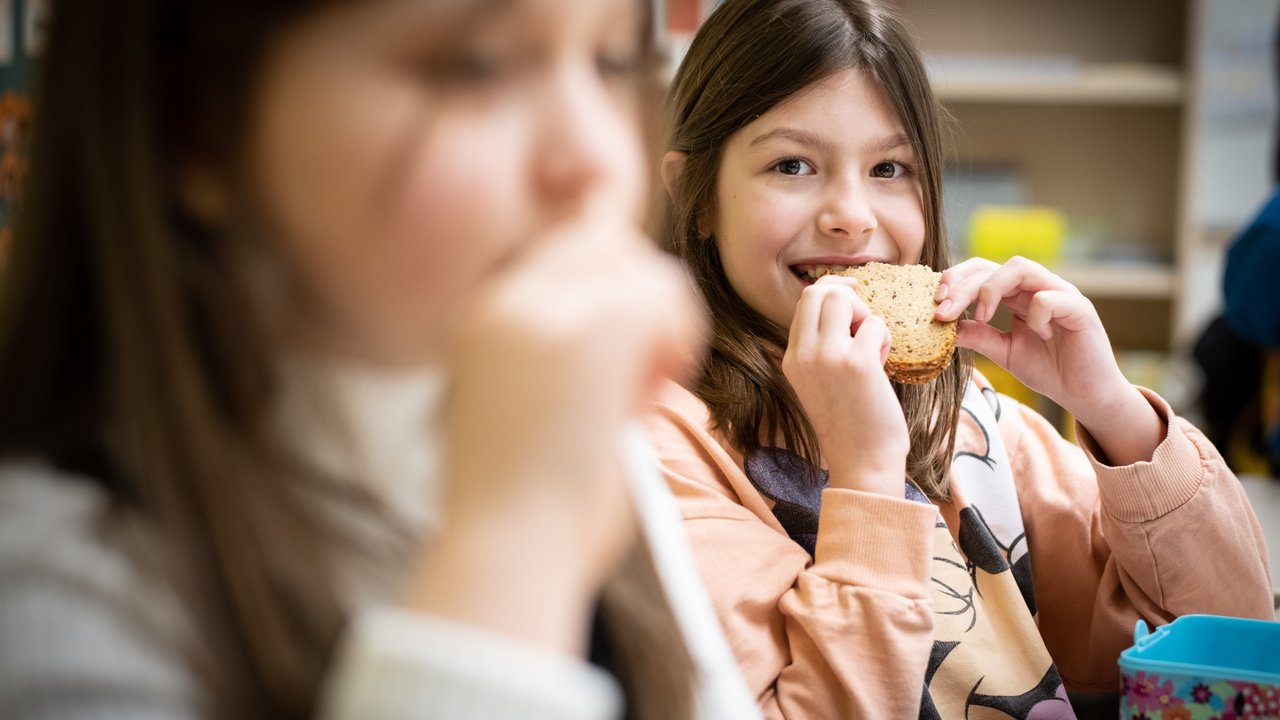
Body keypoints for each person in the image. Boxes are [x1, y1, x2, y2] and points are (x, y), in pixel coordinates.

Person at [0, 1, 759, 719]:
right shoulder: (49, 578)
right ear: (197, 125)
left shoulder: (551, 415)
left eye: (612, 62)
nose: (595, 156)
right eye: (477, 67)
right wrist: (512, 545)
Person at [647, 0, 1276, 717]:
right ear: (693, 195)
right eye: (792, 164)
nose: (851, 214)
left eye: (890, 167)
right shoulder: (664, 453)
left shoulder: (970, 419)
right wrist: (867, 480)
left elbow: (1230, 658)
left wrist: (1113, 410)